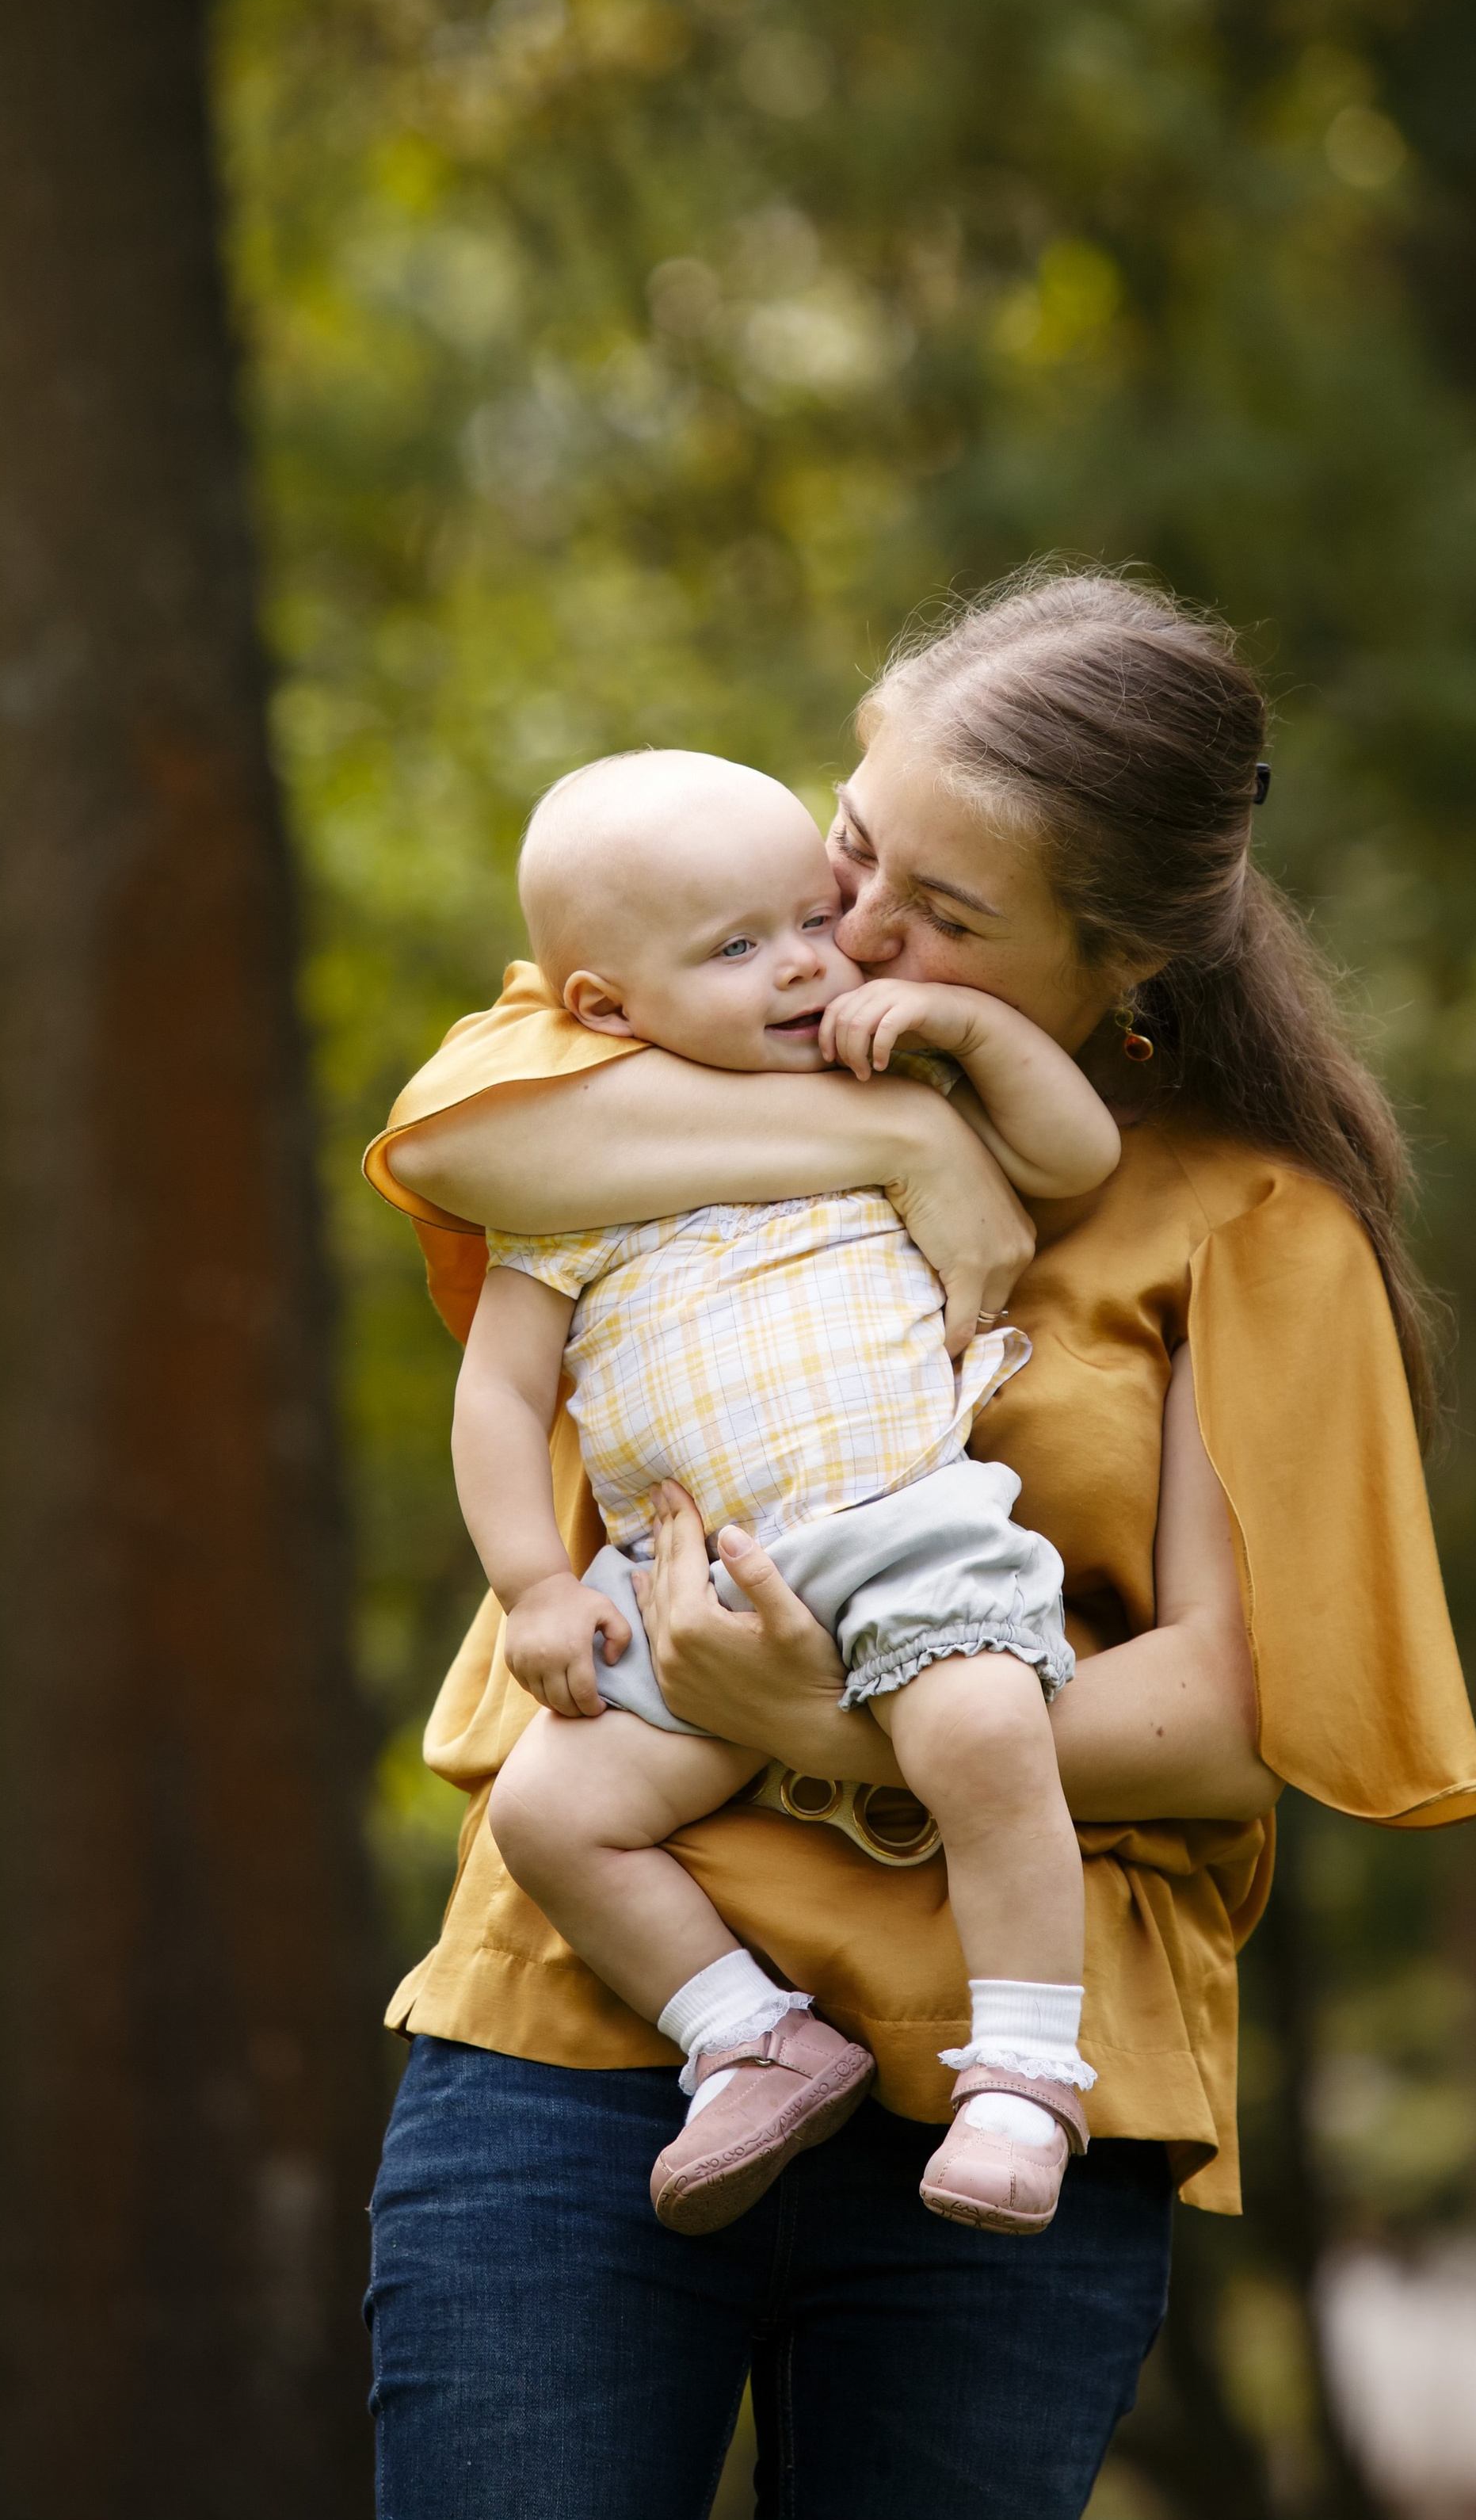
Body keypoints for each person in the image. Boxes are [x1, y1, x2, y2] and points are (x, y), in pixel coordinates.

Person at [362, 568, 1476, 2520]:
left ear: (1122, 958)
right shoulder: (666, 1013)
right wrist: (897, 1141)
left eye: (945, 915)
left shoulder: (1249, 1221)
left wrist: (821, 1720)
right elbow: (458, 1148)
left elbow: (1231, 1711)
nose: (853, 931)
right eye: (855, 844)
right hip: (587, 2029)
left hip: (1009, 2082)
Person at [460, 748, 1123, 2239]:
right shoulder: (574, 1163)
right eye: (738, 948)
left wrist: (961, 1034)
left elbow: (1075, 1153)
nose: (811, 963)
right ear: (605, 1008)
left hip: (904, 1530)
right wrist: (536, 1586)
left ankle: (1024, 2071)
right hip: (684, 1578)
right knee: (547, 1812)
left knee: (985, 1729)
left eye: (811, 919)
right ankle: (745, 2036)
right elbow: (496, 1396)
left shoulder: (875, 1066)